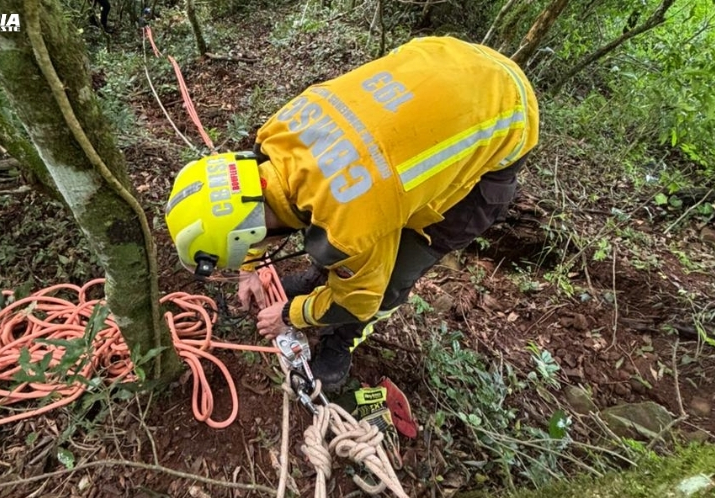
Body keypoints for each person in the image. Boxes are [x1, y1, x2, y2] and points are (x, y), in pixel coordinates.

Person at [164, 36, 539, 391]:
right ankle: (323, 276)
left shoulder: (348, 225)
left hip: (509, 112)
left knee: (397, 268)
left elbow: (360, 298)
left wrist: (291, 316)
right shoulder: (276, 133)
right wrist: (251, 267)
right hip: (447, 58)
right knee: (359, 236)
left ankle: (340, 342)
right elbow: (252, 201)